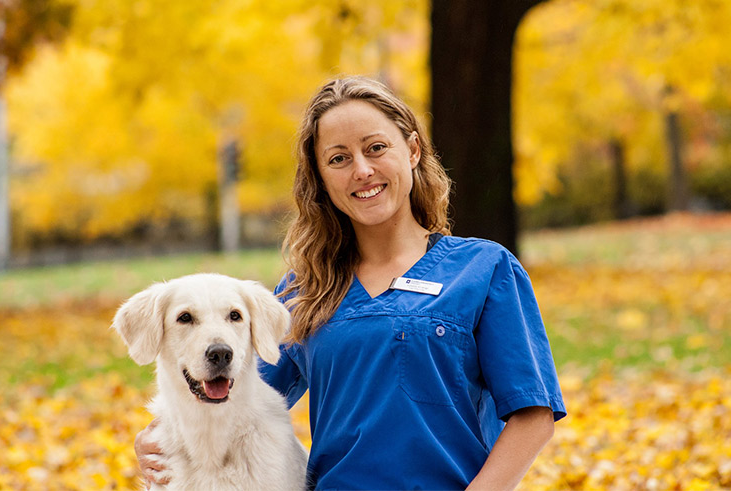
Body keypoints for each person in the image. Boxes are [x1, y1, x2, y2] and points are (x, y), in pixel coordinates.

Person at [135, 75, 566, 490]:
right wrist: (157, 435)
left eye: (376, 148)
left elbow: (533, 415)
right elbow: (231, 388)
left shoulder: (484, 269)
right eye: (338, 158)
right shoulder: (304, 290)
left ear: (413, 150)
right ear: (321, 177)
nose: (361, 170)